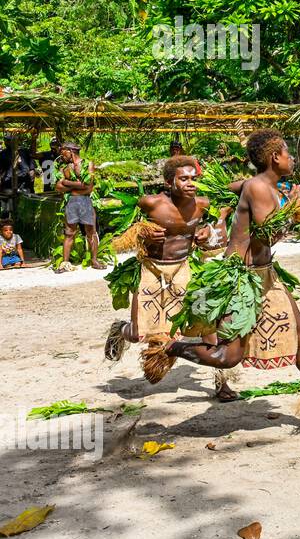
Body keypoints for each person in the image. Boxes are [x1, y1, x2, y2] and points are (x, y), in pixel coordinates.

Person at [164, 130, 300, 446]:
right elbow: (267, 236)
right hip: (240, 279)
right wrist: (294, 209)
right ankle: (173, 347)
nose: (291, 158)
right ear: (275, 157)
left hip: (264, 274)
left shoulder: (262, 186)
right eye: (287, 152)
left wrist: (267, 199)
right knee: (227, 357)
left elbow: (234, 190)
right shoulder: (261, 188)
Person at [102, 156, 239, 400]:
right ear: (168, 182)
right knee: (137, 334)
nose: (190, 184)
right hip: (151, 271)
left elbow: (218, 231)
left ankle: (222, 382)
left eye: (193, 179)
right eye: (183, 179)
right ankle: (119, 330)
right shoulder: (150, 203)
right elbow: (122, 235)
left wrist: (208, 233)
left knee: (206, 327)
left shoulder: (203, 204)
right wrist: (142, 232)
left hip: (184, 271)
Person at [55, 142, 104, 271]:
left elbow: (88, 187)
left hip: (86, 201)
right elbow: (58, 187)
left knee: (91, 232)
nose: (61, 156)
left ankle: (94, 260)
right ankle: (65, 263)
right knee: (69, 232)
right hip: (71, 202)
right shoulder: (63, 167)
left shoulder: (88, 164)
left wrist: (67, 183)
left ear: (70, 151)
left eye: (63, 152)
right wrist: (76, 184)